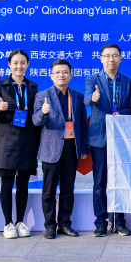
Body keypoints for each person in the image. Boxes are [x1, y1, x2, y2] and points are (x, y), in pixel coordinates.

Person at [33, 59, 88, 239]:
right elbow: (36, 121)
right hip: (51, 150)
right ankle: (50, 226)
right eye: (57, 72)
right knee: (48, 190)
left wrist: (83, 148)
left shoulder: (78, 96)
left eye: (65, 72)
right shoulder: (42, 96)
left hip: (72, 149)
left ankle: (65, 224)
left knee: (67, 189)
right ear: (51, 76)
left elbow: (82, 124)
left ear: (71, 75)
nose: (61, 75)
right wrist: (44, 112)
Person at [0, 49, 40, 239]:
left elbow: (36, 116)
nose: (19, 66)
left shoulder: (33, 87)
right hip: (6, 142)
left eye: (23, 62)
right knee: (7, 182)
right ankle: (7, 223)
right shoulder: (1, 86)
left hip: (27, 141)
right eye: (15, 63)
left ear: (28, 64)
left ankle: (20, 221)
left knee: (23, 183)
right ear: (9, 64)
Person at [84, 44, 131, 237]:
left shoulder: (128, 81)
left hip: (121, 137)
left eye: (115, 56)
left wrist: (122, 113)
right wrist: (93, 97)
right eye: (107, 56)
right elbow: (87, 99)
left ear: (120, 58)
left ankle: (119, 221)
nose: (111, 59)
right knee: (99, 182)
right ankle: (100, 222)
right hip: (100, 138)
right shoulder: (92, 79)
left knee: (120, 181)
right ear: (101, 58)